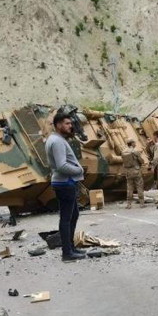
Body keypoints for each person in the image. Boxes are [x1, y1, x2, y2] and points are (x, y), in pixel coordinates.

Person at [45, 110, 87, 261]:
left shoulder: (57, 139)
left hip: (65, 182)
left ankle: (70, 248)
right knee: (66, 218)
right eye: (67, 124)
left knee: (73, 215)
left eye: (71, 123)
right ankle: (67, 252)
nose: (71, 126)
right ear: (58, 125)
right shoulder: (57, 141)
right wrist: (79, 170)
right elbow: (62, 165)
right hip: (64, 183)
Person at [122, 139, 145, 208]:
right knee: (139, 187)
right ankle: (141, 203)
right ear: (131, 143)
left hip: (128, 172)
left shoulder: (123, 152)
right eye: (134, 142)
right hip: (136, 171)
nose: (135, 144)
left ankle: (129, 204)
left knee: (129, 188)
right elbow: (141, 161)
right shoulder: (135, 151)